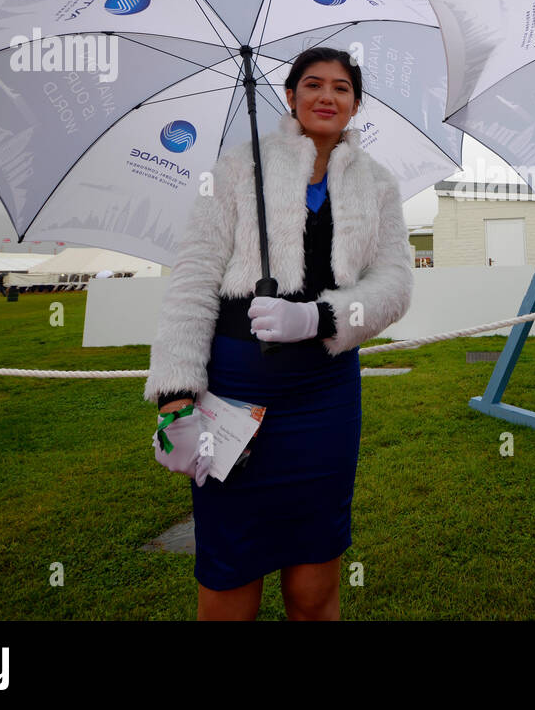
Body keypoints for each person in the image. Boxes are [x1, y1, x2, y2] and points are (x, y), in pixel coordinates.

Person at [143, 46, 412, 621]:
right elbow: (191, 283)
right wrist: (174, 398)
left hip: (325, 393)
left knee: (315, 577)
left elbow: (394, 287)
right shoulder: (238, 169)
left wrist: (321, 317)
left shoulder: (378, 184)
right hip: (235, 388)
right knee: (229, 571)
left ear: (356, 103)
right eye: (312, 85)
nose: (326, 97)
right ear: (290, 97)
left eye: (341, 88)